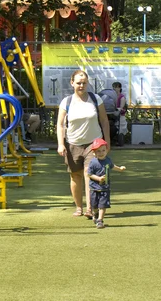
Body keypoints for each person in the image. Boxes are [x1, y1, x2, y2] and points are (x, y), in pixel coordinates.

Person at [57, 70, 111, 219]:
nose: (81, 85)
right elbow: (60, 125)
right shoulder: (66, 102)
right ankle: (79, 207)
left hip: (93, 144)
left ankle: (89, 208)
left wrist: (107, 142)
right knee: (75, 176)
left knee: (89, 174)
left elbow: (105, 121)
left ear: (87, 83)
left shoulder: (95, 99)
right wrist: (61, 144)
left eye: (84, 83)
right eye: (78, 83)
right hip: (72, 143)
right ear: (72, 83)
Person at [87, 137, 126, 228]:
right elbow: (89, 174)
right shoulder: (93, 162)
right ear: (94, 152)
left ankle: (100, 220)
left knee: (103, 205)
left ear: (106, 150)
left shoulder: (108, 160)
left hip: (105, 188)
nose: (101, 153)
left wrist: (119, 169)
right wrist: (98, 178)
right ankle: (95, 214)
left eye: (103, 150)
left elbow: (112, 166)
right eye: (98, 151)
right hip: (94, 188)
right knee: (95, 205)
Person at [112, 81, 128, 145]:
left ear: (119, 88)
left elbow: (121, 108)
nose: (114, 88)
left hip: (120, 115)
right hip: (114, 115)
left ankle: (119, 141)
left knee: (120, 129)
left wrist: (118, 109)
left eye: (116, 87)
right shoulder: (112, 96)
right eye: (113, 87)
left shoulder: (122, 97)